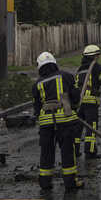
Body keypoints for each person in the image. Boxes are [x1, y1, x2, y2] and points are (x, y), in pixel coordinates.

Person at [33, 51, 82, 192]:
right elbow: (75, 97)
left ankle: (45, 183)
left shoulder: (37, 84)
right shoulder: (66, 76)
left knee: (46, 153)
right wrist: (74, 107)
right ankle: (70, 182)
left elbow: (36, 107)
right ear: (54, 63)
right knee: (67, 152)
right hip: (65, 121)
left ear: (40, 67)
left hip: (46, 123)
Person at [74, 44, 101, 158]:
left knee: (78, 128)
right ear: (94, 56)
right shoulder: (97, 67)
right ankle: (90, 152)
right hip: (91, 102)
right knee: (91, 127)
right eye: (97, 55)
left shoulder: (80, 68)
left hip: (79, 102)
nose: (98, 57)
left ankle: (75, 151)